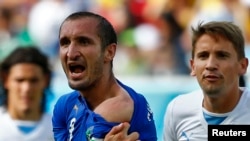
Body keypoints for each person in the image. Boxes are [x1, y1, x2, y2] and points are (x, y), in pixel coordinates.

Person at [52, 11, 157, 141]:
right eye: (65, 43)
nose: (71, 53)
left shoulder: (122, 109)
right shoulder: (65, 105)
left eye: (84, 42)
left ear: (109, 52)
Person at [163, 21, 250, 141]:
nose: (210, 65)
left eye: (222, 55)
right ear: (193, 66)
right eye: (203, 56)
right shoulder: (177, 110)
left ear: (242, 66)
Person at [0, 46, 54, 141]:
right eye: (20, 80)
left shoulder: (63, 131)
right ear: (6, 80)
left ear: (46, 80)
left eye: (34, 81)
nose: (26, 88)